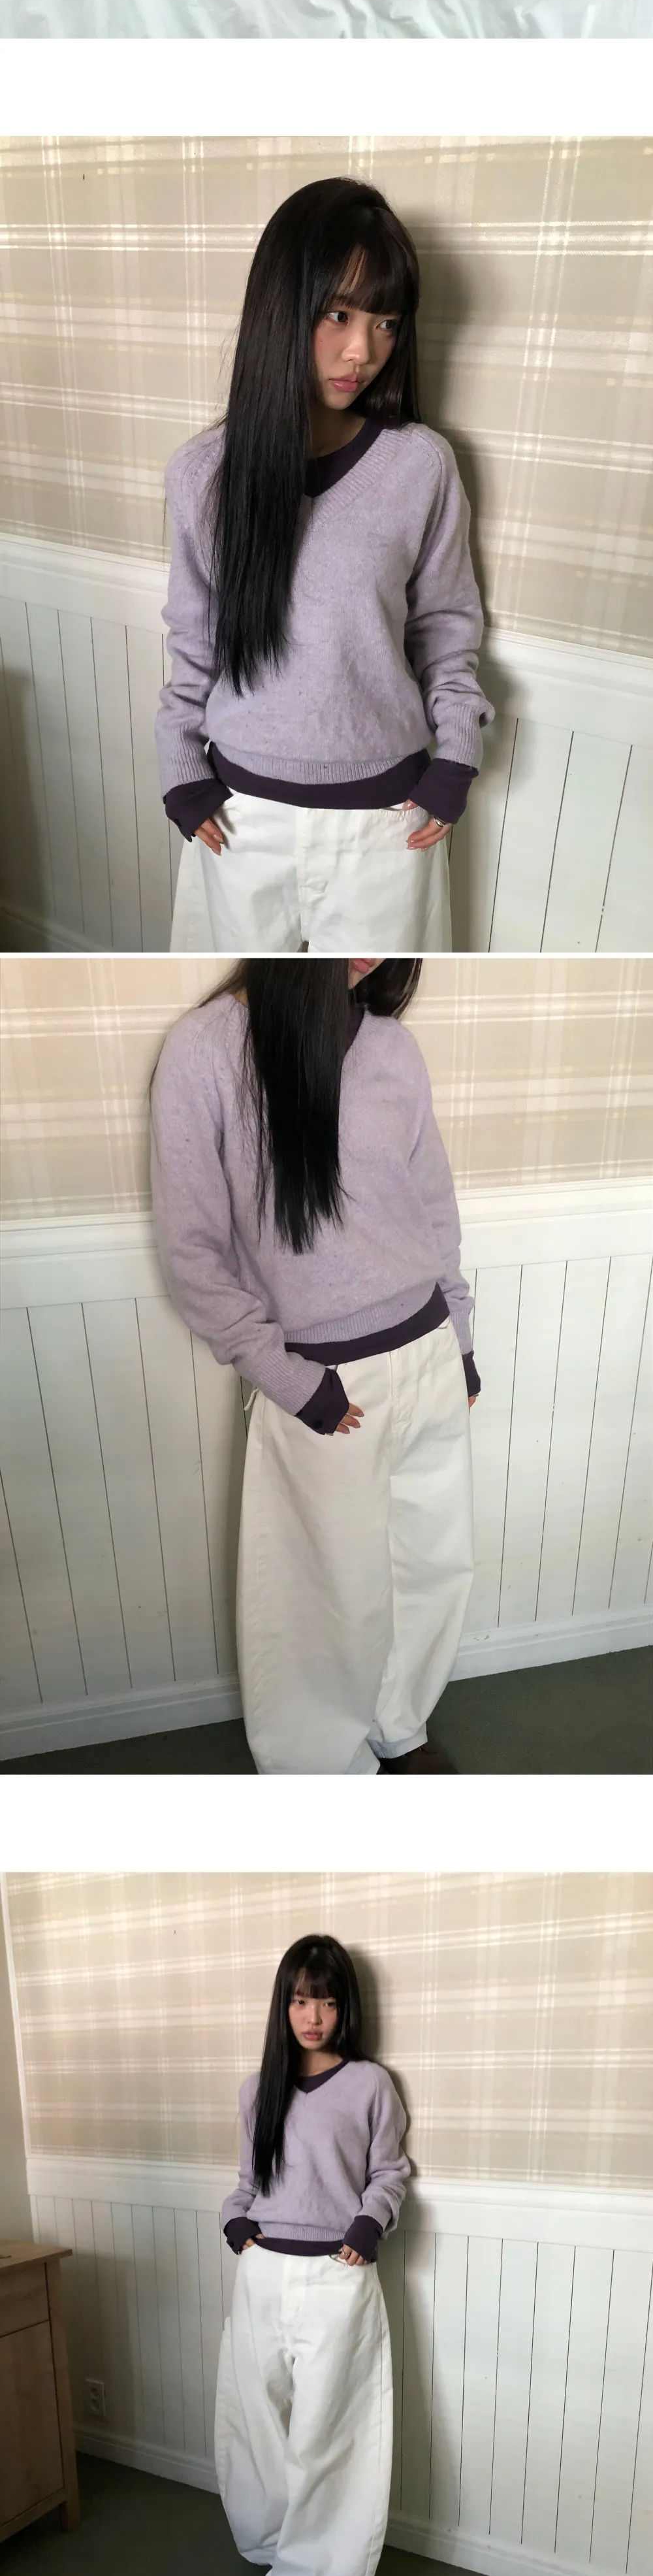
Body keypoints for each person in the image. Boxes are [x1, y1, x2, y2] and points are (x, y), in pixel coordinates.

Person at [150, 954, 479, 1772]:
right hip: (326, 1382)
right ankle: (320, 1775)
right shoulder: (204, 1050)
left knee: (428, 1563)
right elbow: (193, 1253)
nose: (372, 948)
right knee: (320, 1596)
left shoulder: (390, 1046)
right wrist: (293, 1383)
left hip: (429, 1350)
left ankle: (400, 1729)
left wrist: (461, 1341)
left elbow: (432, 1207)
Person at [155, 172, 491, 954]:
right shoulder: (202, 474)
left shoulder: (421, 467)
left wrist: (455, 758)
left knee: (380, 998)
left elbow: (446, 629)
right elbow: (193, 638)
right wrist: (179, 766)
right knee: (238, 1001)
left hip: (388, 819)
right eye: (337, 313)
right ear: (282, 307)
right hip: (237, 815)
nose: (362, 350)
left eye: (385, 322)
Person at [216, 1928, 409, 2576]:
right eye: (300, 1999)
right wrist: (237, 2222)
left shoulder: (369, 2085)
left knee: (328, 2437)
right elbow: (245, 2181)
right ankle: (275, 2548)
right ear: (284, 2004)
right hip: (262, 2271)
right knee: (256, 2422)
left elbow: (389, 2172)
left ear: (343, 2006)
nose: (313, 2015)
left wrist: (368, 2225)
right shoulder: (256, 2090)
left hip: (338, 2272)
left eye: (326, 2000)